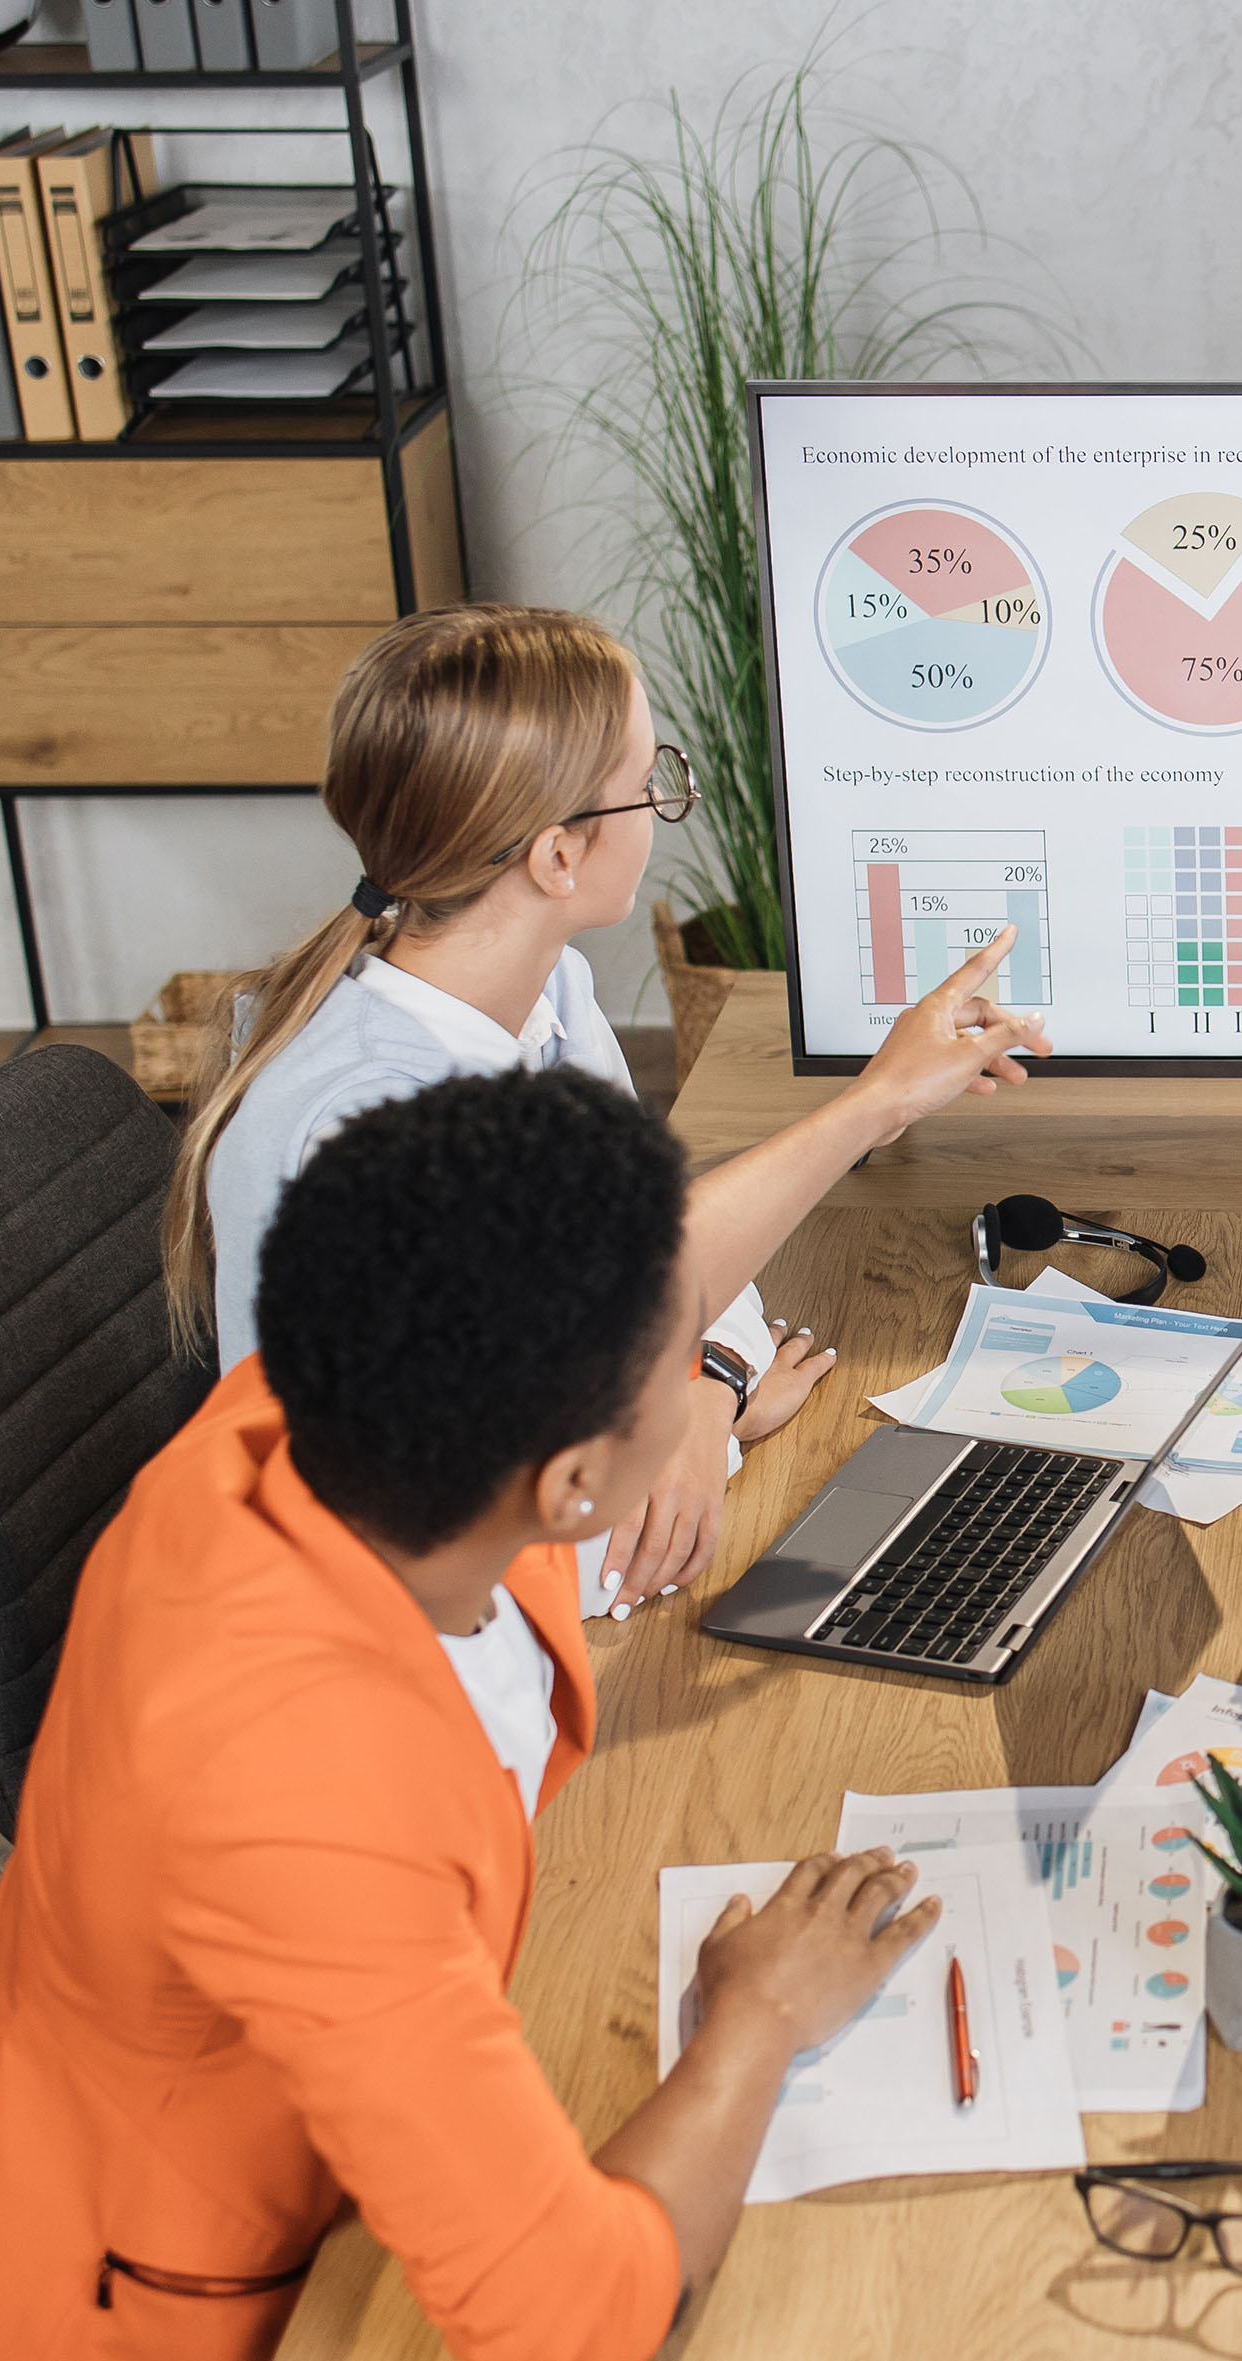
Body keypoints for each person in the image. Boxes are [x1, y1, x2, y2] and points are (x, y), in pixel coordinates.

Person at [0, 1064, 1026, 2361]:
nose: (696, 1382)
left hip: (118, 2087)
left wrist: (851, 1143)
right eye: (677, 1370)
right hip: (181, 2345)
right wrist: (757, 2017)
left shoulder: (323, 1394)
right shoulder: (298, 1798)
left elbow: (639, 1267)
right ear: (566, 1486)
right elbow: (569, 2331)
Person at [165, 602, 842, 1620]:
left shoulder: (545, 997)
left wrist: (707, 1389)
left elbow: (662, 1265)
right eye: (649, 783)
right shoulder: (376, 1136)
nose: (665, 802)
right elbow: (574, 1551)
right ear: (558, 857)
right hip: (410, 1653)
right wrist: (711, 1415)